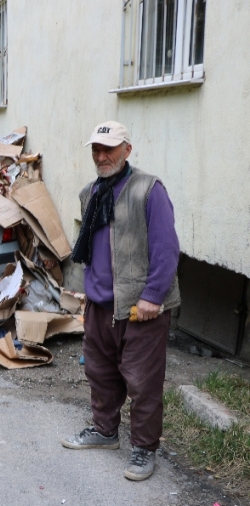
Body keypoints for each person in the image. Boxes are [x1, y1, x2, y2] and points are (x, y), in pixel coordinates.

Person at [62, 120, 180, 481]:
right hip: (101, 305)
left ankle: (144, 449)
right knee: (100, 372)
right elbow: (89, 250)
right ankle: (104, 431)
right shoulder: (91, 193)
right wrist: (83, 292)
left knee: (143, 382)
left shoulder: (148, 189)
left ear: (126, 150)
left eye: (109, 149)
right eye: (96, 149)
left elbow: (166, 248)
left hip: (140, 307)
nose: (101, 156)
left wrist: (153, 296)